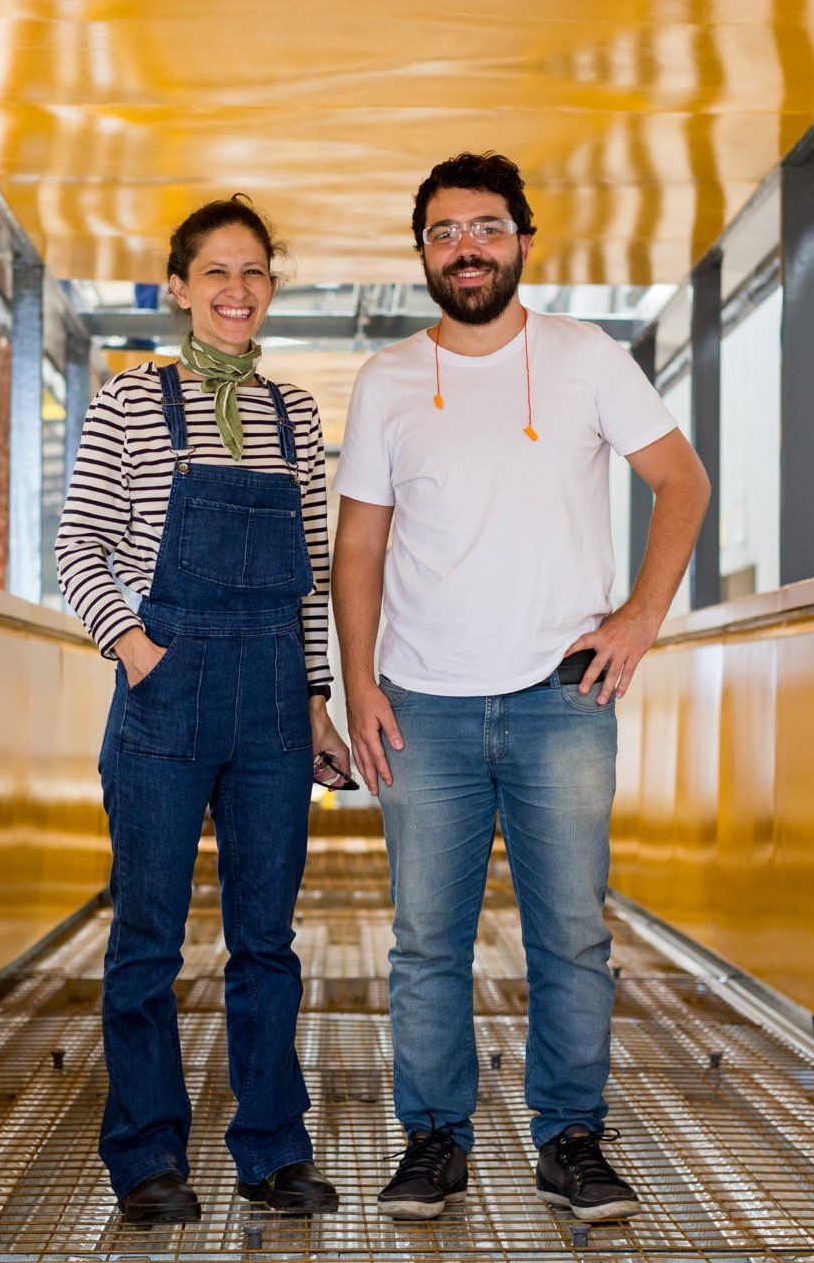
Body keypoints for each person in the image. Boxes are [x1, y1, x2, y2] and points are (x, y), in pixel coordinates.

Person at [332, 153, 710, 1223]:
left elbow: (682, 480)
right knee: (423, 943)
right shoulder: (390, 380)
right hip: (423, 704)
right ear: (423, 252)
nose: (467, 247)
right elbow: (358, 547)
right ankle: (434, 1141)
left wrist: (639, 615)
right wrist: (358, 683)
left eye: (487, 227)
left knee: (572, 934)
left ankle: (572, 1139)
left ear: (524, 240)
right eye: (446, 230)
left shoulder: (589, 358)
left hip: (561, 700)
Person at [55, 195, 350, 1225]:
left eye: (254, 272)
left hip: (272, 695)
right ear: (178, 287)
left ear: (272, 287)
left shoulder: (296, 414)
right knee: (149, 937)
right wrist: (138, 652)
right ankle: (146, 1155)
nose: (237, 290)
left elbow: (308, 575)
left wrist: (316, 698)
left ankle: (273, 1148)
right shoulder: (129, 403)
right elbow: (78, 550)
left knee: (265, 941)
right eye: (216, 272)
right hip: (166, 691)